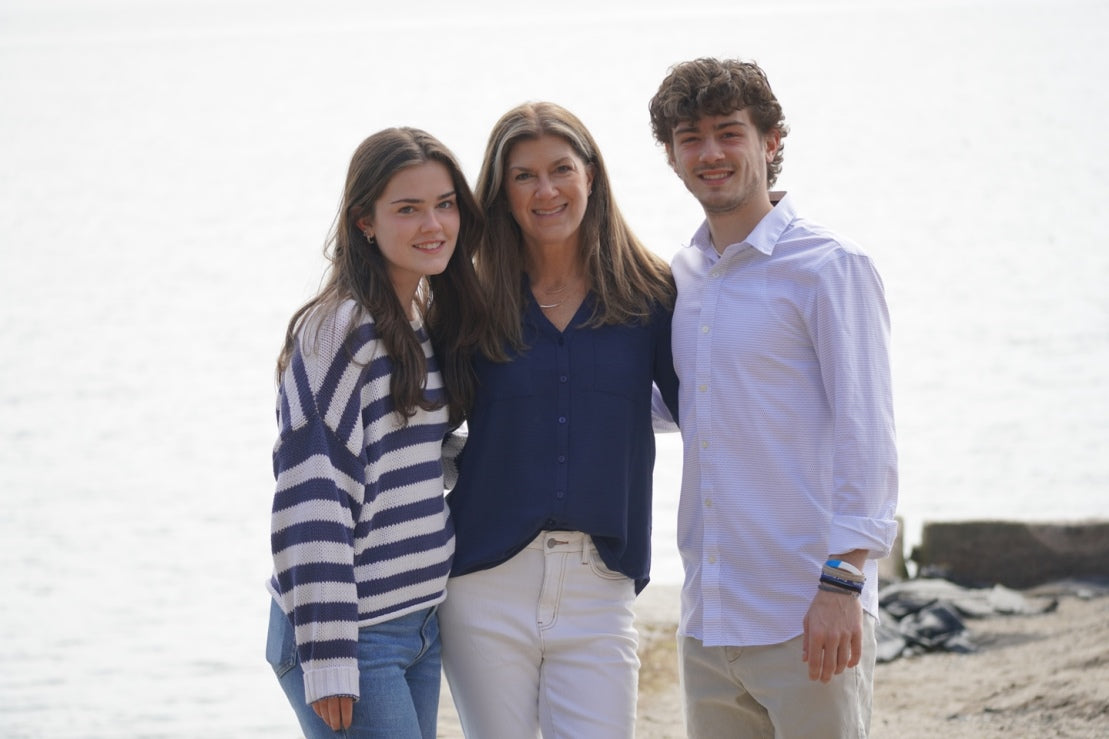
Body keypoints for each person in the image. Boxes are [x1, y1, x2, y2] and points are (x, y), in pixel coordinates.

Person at [648, 58, 899, 738]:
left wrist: (842, 584)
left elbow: (866, 434)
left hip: (807, 610)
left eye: (728, 132)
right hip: (710, 617)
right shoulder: (682, 274)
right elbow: (670, 404)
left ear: (771, 140)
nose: (710, 153)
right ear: (669, 156)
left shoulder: (829, 266)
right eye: (689, 137)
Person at [437, 101, 680, 738]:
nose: (546, 190)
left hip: (600, 587)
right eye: (523, 176)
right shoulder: (470, 302)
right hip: (484, 584)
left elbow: (709, 411)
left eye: (561, 169)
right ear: (502, 192)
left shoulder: (651, 294)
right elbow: (417, 424)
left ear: (591, 176)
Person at [264, 127, 487, 738]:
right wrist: (331, 658)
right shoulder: (337, 332)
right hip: (353, 636)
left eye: (444, 204)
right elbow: (312, 499)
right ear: (365, 221)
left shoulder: (415, 318)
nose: (433, 224)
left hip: (417, 623)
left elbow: (402, 460)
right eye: (408, 209)